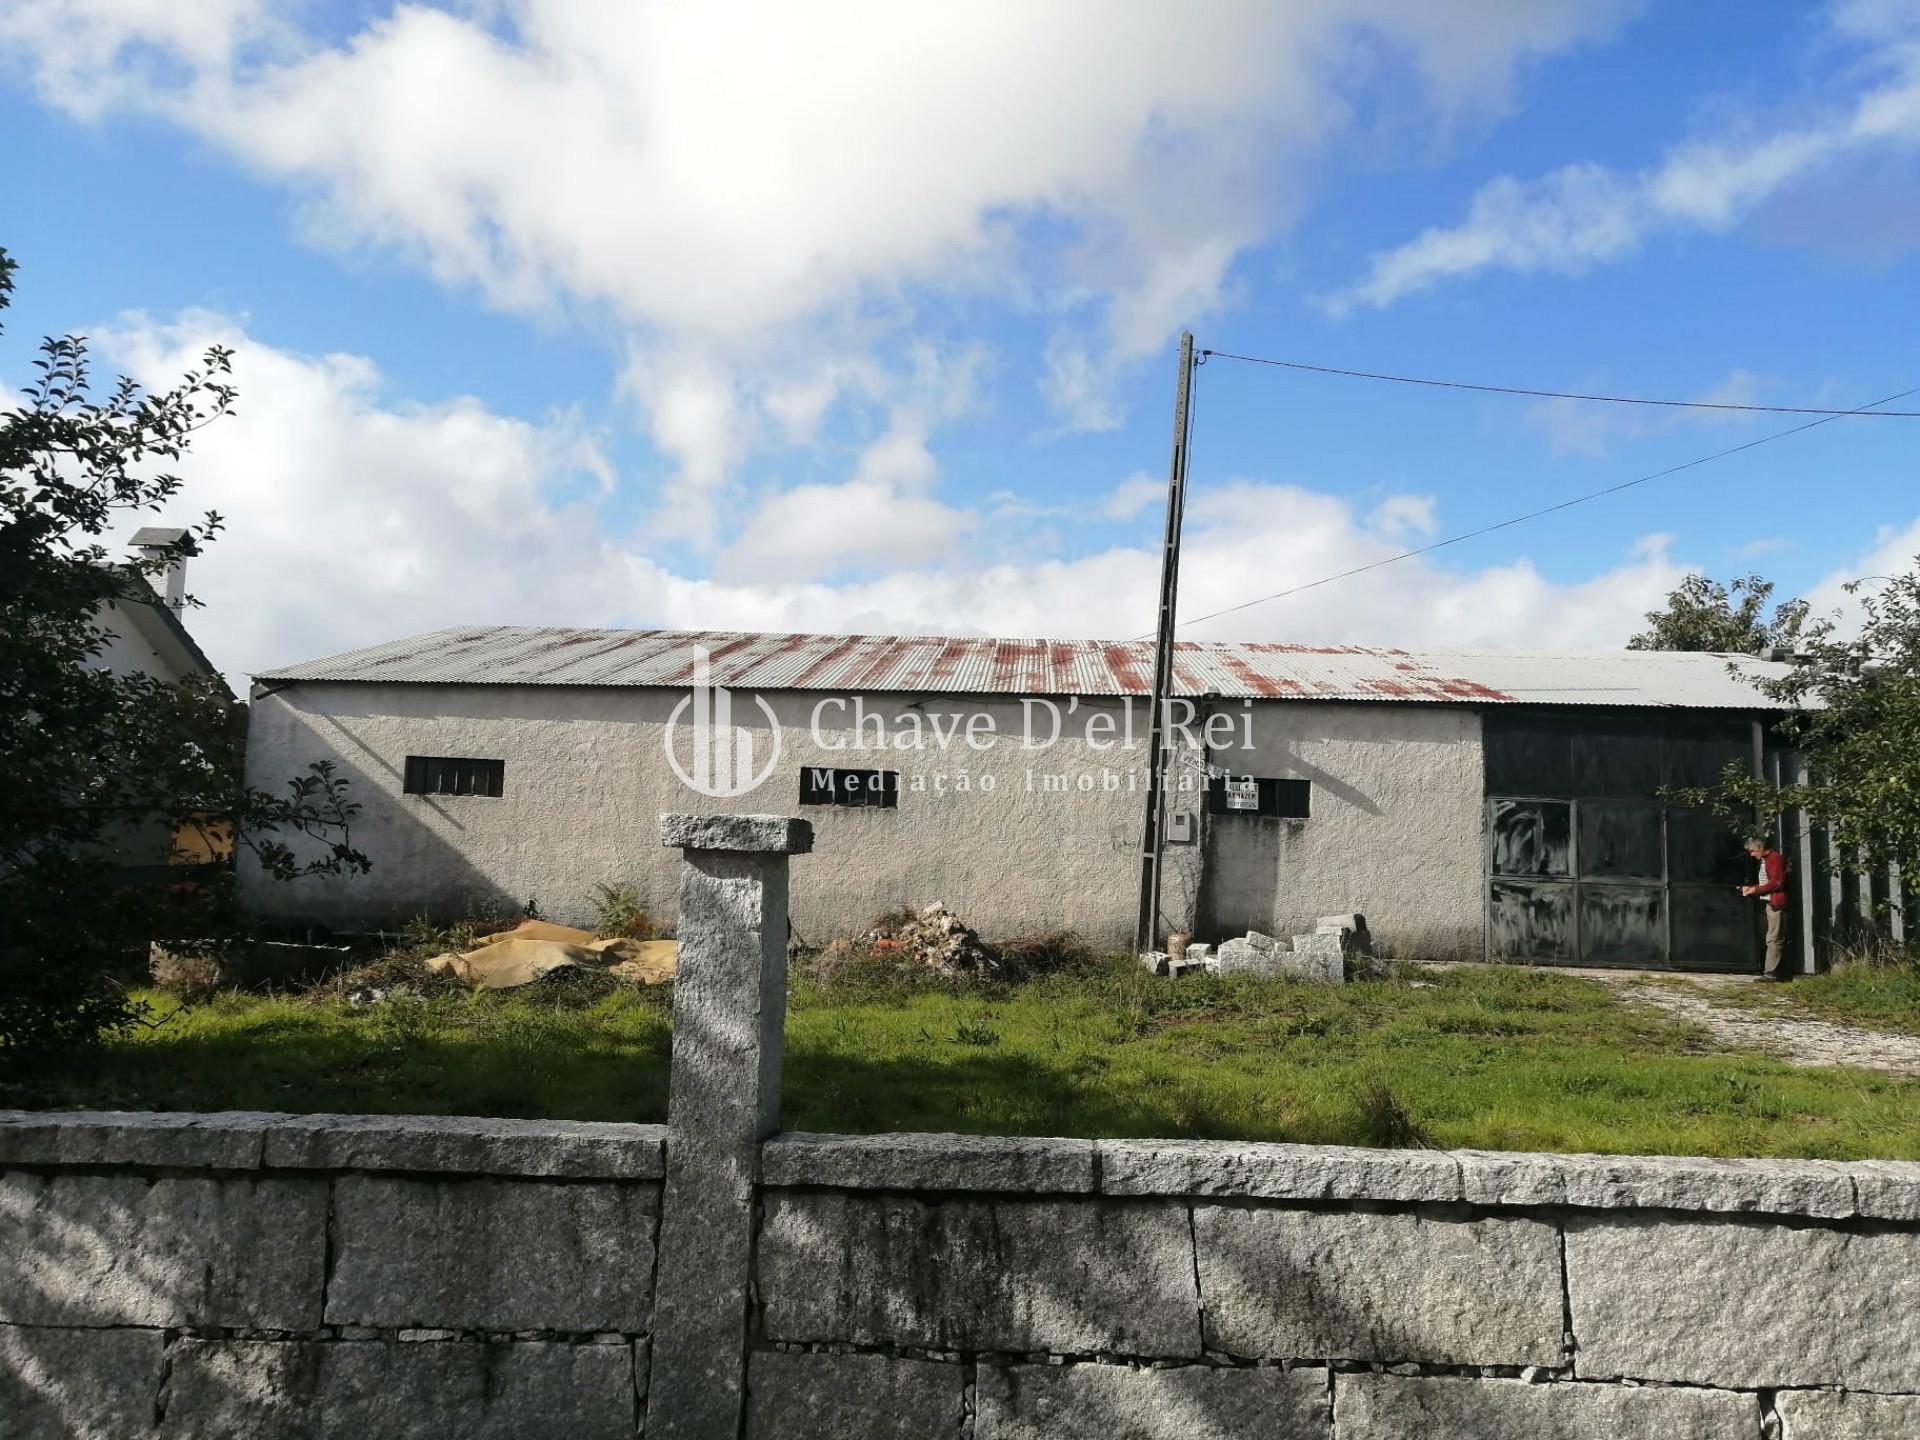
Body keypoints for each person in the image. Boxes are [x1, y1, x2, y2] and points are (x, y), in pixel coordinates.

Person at [1740, 835, 1790, 980]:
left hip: (1776, 903)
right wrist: (1753, 889)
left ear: (1761, 848)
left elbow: (1776, 883)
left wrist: (1756, 890)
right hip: (1770, 901)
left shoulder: (1774, 859)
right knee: (1772, 936)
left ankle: (1771, 972)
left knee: (1774, 937)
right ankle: (1773, 971)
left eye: (1753, 851)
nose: (1752, 854)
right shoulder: (1767, 860)